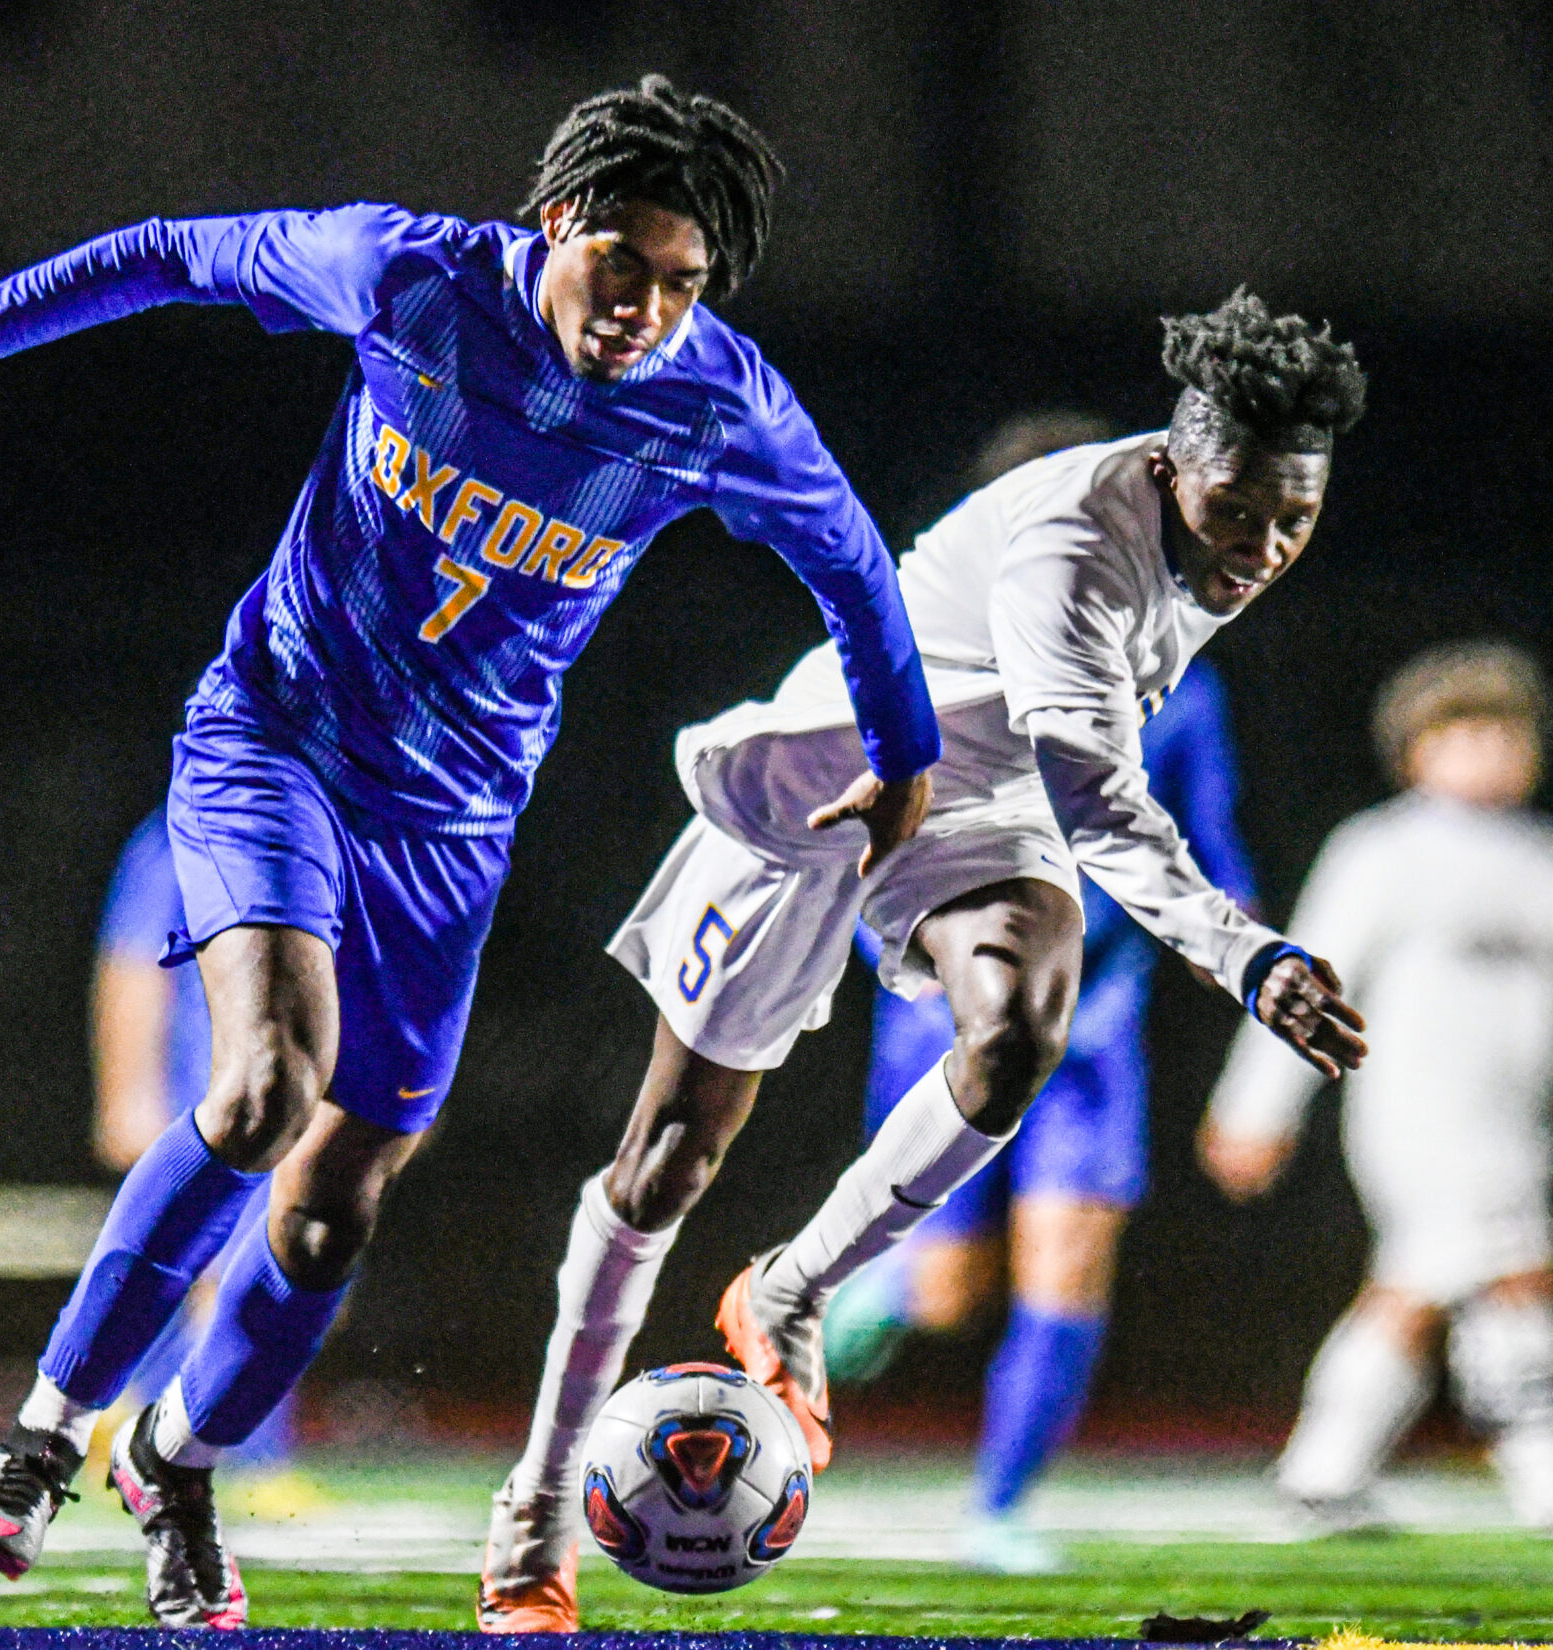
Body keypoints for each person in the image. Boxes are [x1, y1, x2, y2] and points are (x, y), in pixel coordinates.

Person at [0, 74, 944, 1629]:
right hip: (276, 740)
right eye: (624, 265)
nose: (646, 308)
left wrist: (907, 758)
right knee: (259, 1092)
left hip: (452, 823)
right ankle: (44, 1433)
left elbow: (851, 564)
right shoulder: (410, 277)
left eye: (683, 282)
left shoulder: (719, 402)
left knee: (333, 1203)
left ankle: (177, 1459)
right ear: (555, 222)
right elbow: (169, 249)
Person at [480, 290, 1370, 1632]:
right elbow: (1101, 801)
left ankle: (791, 1286)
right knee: (668, 1153)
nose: (1255, 547)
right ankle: (536, 1509)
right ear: (1169, 463)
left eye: (1288, 521)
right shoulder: (1076, 543)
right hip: (834, 774)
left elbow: (1068, 783)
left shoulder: (1213, 514)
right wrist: (1249, 958)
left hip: (982, 802)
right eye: (1235, 511)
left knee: (1018, 1025)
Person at [1199, 641, 1553, 1537]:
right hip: (1412, 1115)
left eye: (1508, 732)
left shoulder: (1550, 860)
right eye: (1466, 730)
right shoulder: (1380, 850)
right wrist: (1253, 1110)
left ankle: (1326, 1479)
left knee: (1444, 1290)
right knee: (1504, 1274)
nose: (1491, 749)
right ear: (1415, 748)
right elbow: (1307, 985)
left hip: (1514, 1122)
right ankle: (1548, 1489)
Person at [823, 659, 1256, 1574]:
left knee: (1069, 1265)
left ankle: (1000, 1508)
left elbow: (1208, 835)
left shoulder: (1189, 689)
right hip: (945, 1024)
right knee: (946, 1296)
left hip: (1090, 1032)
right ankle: (896, 1287)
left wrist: (1237, 942)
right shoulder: (960, 655)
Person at [91, 809, 302, 1493]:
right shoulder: (189, 828)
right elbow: (133, 960)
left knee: (292, 1267)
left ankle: (135, 1425)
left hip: (294, 1091)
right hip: (210, 1091)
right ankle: (235, 1456)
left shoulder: (332, 828)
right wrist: (127, 1090)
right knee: (228, 1270)